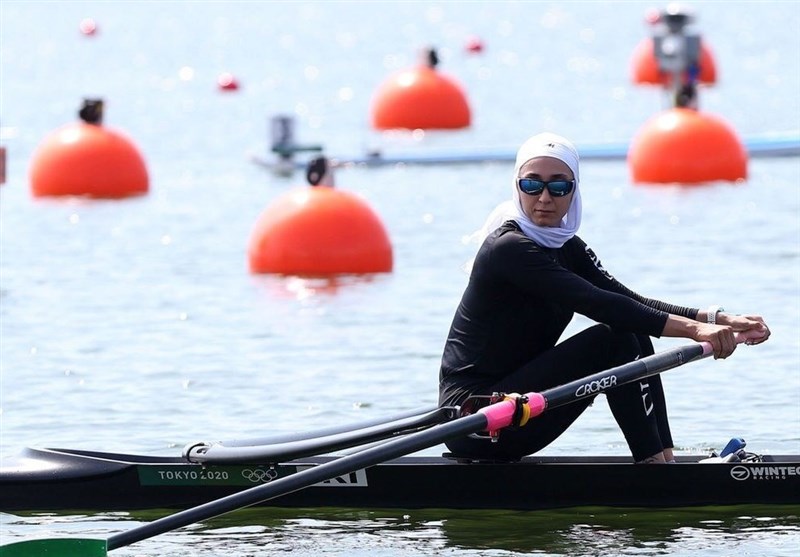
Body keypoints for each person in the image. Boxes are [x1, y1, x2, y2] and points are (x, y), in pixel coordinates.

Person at [437, 132, 770, 463]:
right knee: (614, 338)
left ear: (574, 191)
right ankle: (655, 469)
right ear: (517, 187)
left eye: (559, 186)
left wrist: (717, 319)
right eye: (532, 184)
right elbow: (597, 302)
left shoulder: (567, 248)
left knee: (633, 328)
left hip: (518, 407)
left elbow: (627, 300)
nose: (544, 197)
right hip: (474, 418)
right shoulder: (508, 249)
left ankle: (663, 458)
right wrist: (695, 332)